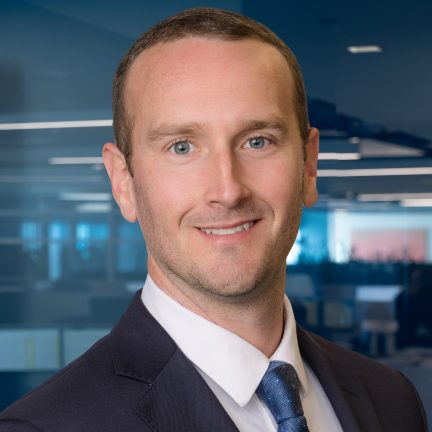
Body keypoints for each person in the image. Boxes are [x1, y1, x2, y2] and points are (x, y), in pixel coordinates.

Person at [0, 7, 428, 432]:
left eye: (257, 141)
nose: (228, 190)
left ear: (309, 166)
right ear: (123, 182)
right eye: (181, 147)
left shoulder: (390, 399)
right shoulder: (46, 426)